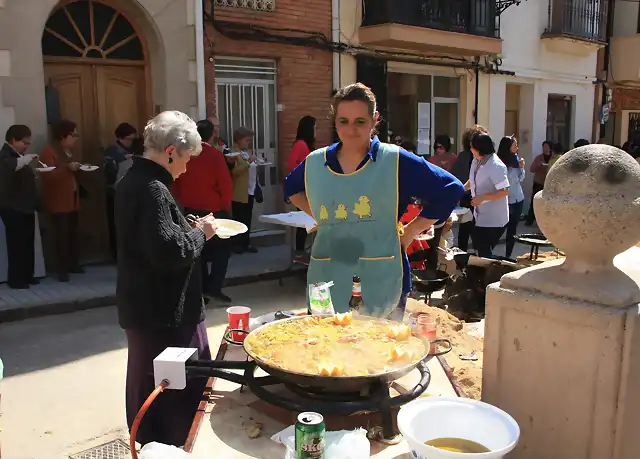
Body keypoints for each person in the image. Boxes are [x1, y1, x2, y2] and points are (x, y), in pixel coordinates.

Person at [284, 83, 464, 319]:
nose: (350, 130)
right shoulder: (316, 162)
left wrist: (411, 231)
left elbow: (451, 188)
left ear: (374, 119)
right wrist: (321, 215)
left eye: (360, 121)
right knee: (327, 350)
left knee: (379, 351)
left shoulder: (395, 161)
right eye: (343, 121)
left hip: (383, 276)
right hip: (326, 275)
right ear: (334, 121)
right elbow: (291, 187)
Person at [115, 111, 217, 448]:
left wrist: (185, 228)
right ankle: (170, 447)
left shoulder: (133, 179)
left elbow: (153, 239)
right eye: (186, 158)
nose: (187, 167)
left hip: (144, 308)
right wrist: (202, 233)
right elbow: (169, 252)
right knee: (171, 388)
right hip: (162, 313)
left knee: (147, 382)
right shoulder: (153, 189)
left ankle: (149, 443)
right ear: (171, 151)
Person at [173, 119, 234, 303]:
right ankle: (213, 288)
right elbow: (225, 184)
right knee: (222, 251)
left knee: (196, 251)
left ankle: (200, 291)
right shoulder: (214, 155)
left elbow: (175, 179)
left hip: (190, 208)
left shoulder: (185, 154)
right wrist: (225, 205)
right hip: (214, 209)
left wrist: (181, 200)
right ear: (212, 135)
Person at [40, 120, 83, 282]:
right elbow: (48, 176)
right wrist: (66, 167)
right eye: (74, 135)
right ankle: (61, 268)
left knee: (72, 233)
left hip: (72, 198)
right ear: (63, 136)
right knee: (61, 235)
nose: (76, 139)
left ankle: (73, 263)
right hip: (58, 201)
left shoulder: (69, 152)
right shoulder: (49, 151)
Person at [0, 125, 39, 288]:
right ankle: (16, 279)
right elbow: (12, 166)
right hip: (13, 206)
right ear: (13, 140)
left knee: (28, 241)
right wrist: (27, 158)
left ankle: (27, 275)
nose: (27, 146)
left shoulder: (19, 155)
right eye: (24, 142)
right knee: (16, 243)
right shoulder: (6, 155)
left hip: (26, 205)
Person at [465, 132, 509, 258]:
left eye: (472, 147)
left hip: (494, 219)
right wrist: (462, 188)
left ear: (480, 149)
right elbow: (473, 179)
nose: (470, 149)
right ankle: (482, 271)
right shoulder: (476, 159)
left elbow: (504, 191)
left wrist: (483, 197)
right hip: (479, 215)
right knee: (479, 248)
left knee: (484, 251)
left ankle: (489, 274)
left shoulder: (496, 166)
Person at [451, 125, 488, 251]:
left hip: (472, 197)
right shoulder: (471, 157)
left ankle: (464, 258)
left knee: (467, 229)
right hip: (472, 197)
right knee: (470, 228)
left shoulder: (466, 156)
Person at [104, 123, 137, 261]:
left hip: (131, 193)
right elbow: (108, 169)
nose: (131, 142)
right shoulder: (112, 150)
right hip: (115, 192)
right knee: (116, 224)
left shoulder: (133, 148)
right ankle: (117, 255)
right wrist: (124, 159)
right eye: (129, 139)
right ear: (121, 138)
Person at [287, 115, 317, 257]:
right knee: (303, 221)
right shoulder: (300, 144)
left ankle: (303, 250)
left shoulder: (306, 145)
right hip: (302, 189)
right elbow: (292, 165)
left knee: (307, 221)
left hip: (308, 188)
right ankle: (299, 251)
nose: (316, 130)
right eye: (314, 128)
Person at [228, 127, 258, 254]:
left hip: (250, 190)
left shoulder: (246, 152)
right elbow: (234, 172)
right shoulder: (232, 153)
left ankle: (246, 243)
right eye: (246, 140)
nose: (248, 143)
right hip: (239, 192)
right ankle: (237, 245)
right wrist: (248, 163)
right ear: (239, 140)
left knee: (247, 218)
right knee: (239, 219)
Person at [497, 136, 525, 259]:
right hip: (505, 199)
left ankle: (508, 255)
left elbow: (520, 178)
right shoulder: (500, 163)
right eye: (514, 145)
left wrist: (522, 167)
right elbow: (508, 181)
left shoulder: (516, 159)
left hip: (518, 198)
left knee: (512, 229)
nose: (517, 148)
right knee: (500, 227)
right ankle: (488, 251)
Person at [525, 140, 553, 226]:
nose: (544, 149)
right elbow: (531, 169)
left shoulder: (553, 157)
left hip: (549, 184)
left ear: (550, 148)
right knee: (534, 202)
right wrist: (538, 165)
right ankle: (529, 221)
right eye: (543, 147)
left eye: (546, 147)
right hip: (538, 183)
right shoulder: (539, 157)